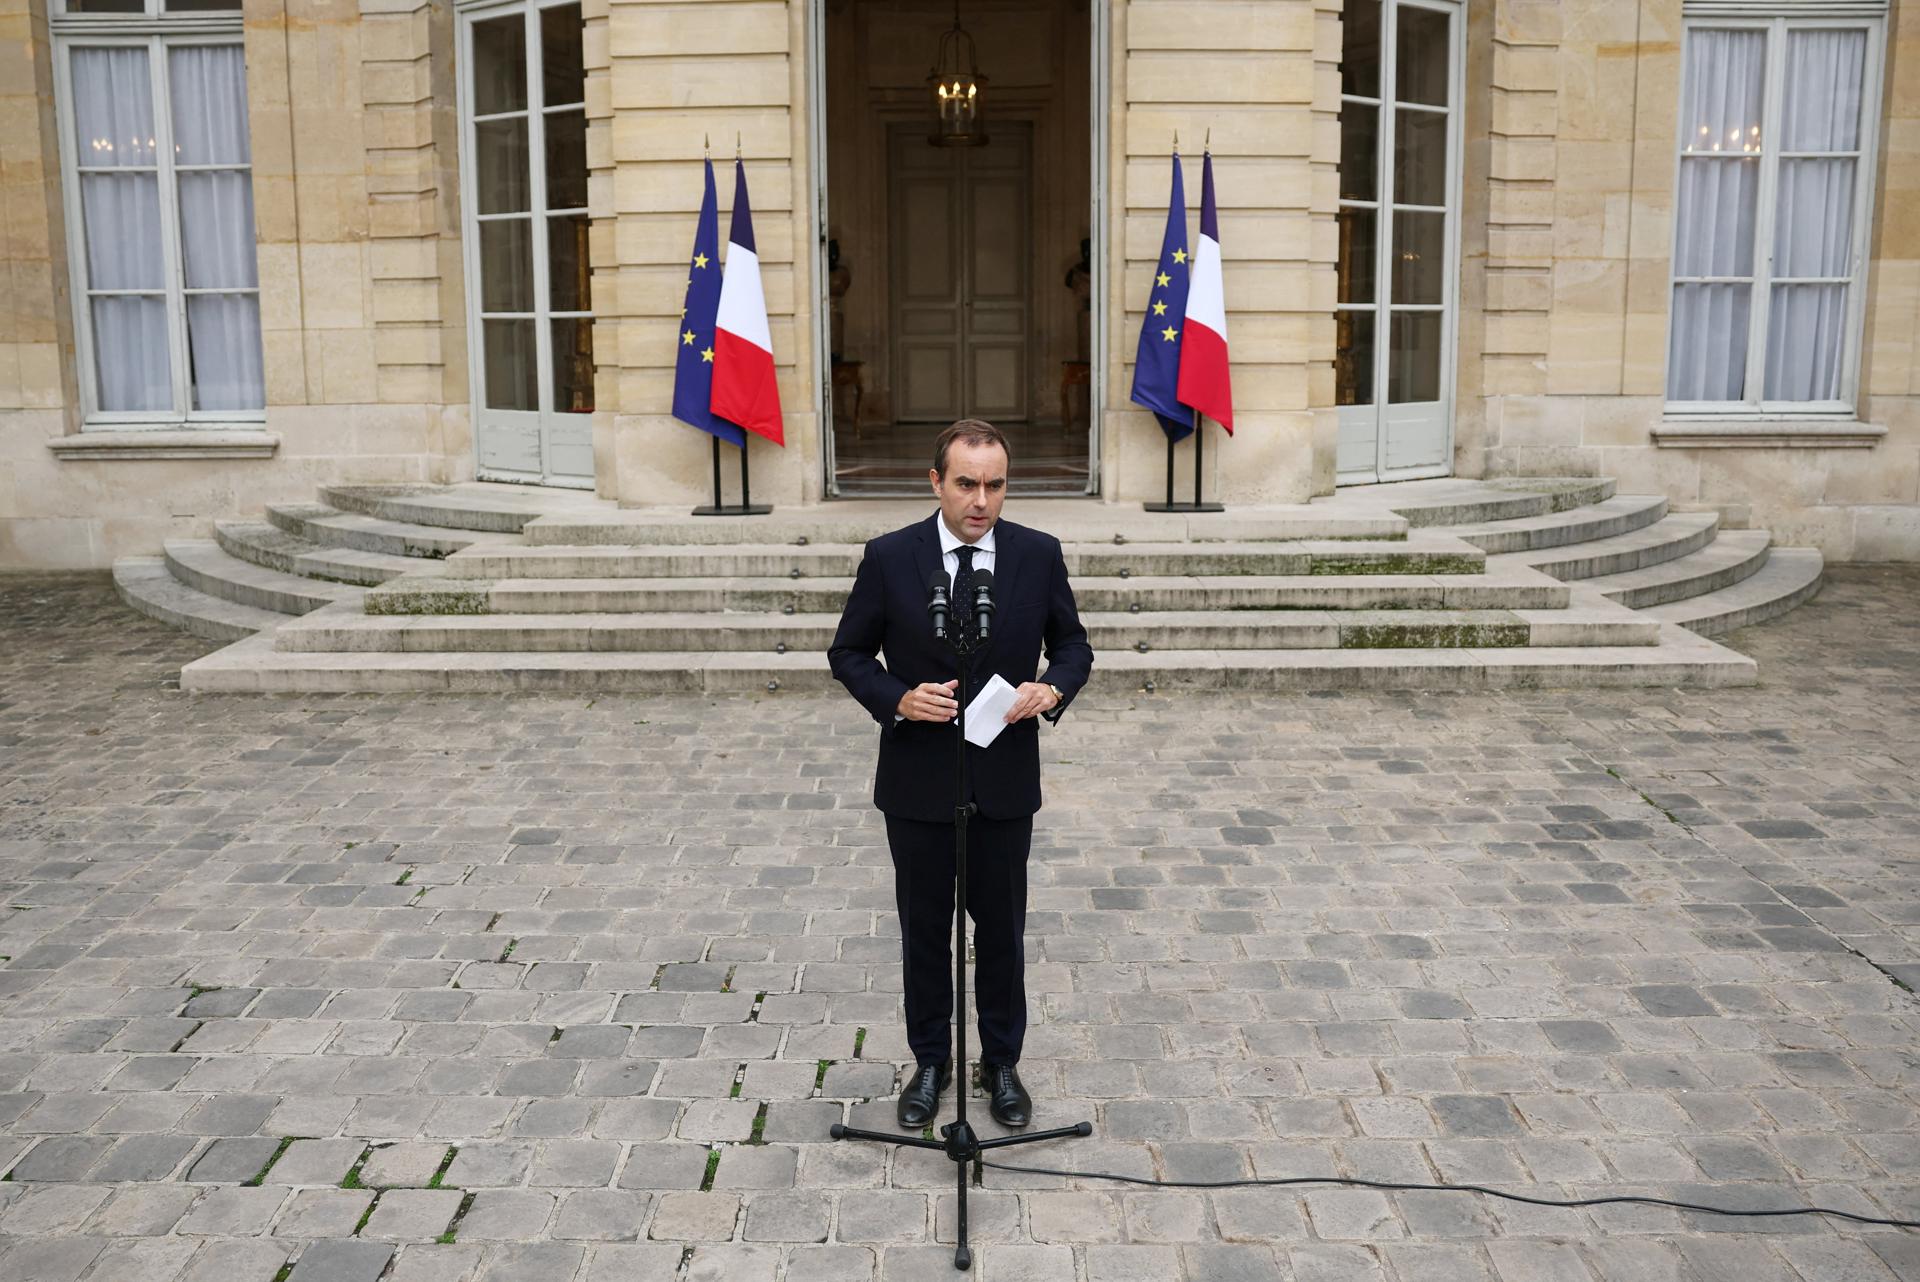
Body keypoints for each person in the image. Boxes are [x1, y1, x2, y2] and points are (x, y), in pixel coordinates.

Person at [828, 419, 1094, 1129]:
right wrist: (897, 698)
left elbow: (1073, 645)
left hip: (1004, 782)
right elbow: (849, 653)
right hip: (917, 783)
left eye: (995, 485)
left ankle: (1001, 1064)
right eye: (967, 483)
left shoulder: (1038, 555)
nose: (981, 500)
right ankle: (930, 1062)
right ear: (936, 482)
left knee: (1002, 931)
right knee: (924, 931)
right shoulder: (890, 557)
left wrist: (1053, 688)